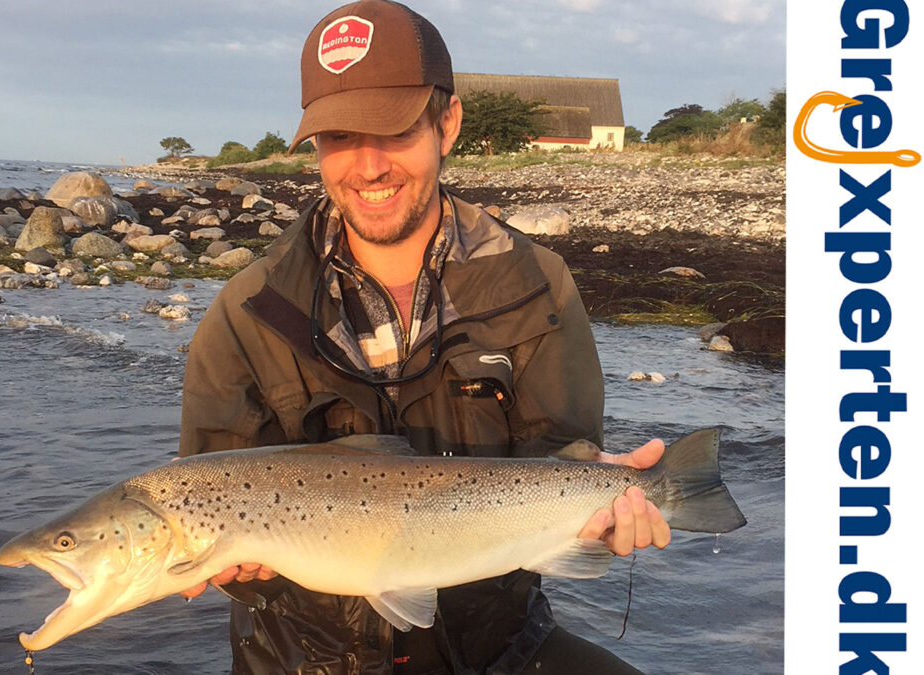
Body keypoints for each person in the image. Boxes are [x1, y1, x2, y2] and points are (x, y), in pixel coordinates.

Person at [178, 1, 670, 673]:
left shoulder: (538, 287)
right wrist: (243, 569)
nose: (368, 165)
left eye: (395, 130)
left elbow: (561, 454)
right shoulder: (247, 314)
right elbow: (211, 497)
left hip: (501, 649)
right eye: (339, 137)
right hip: (301, 659)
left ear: (448, 123)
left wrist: (605, 495)